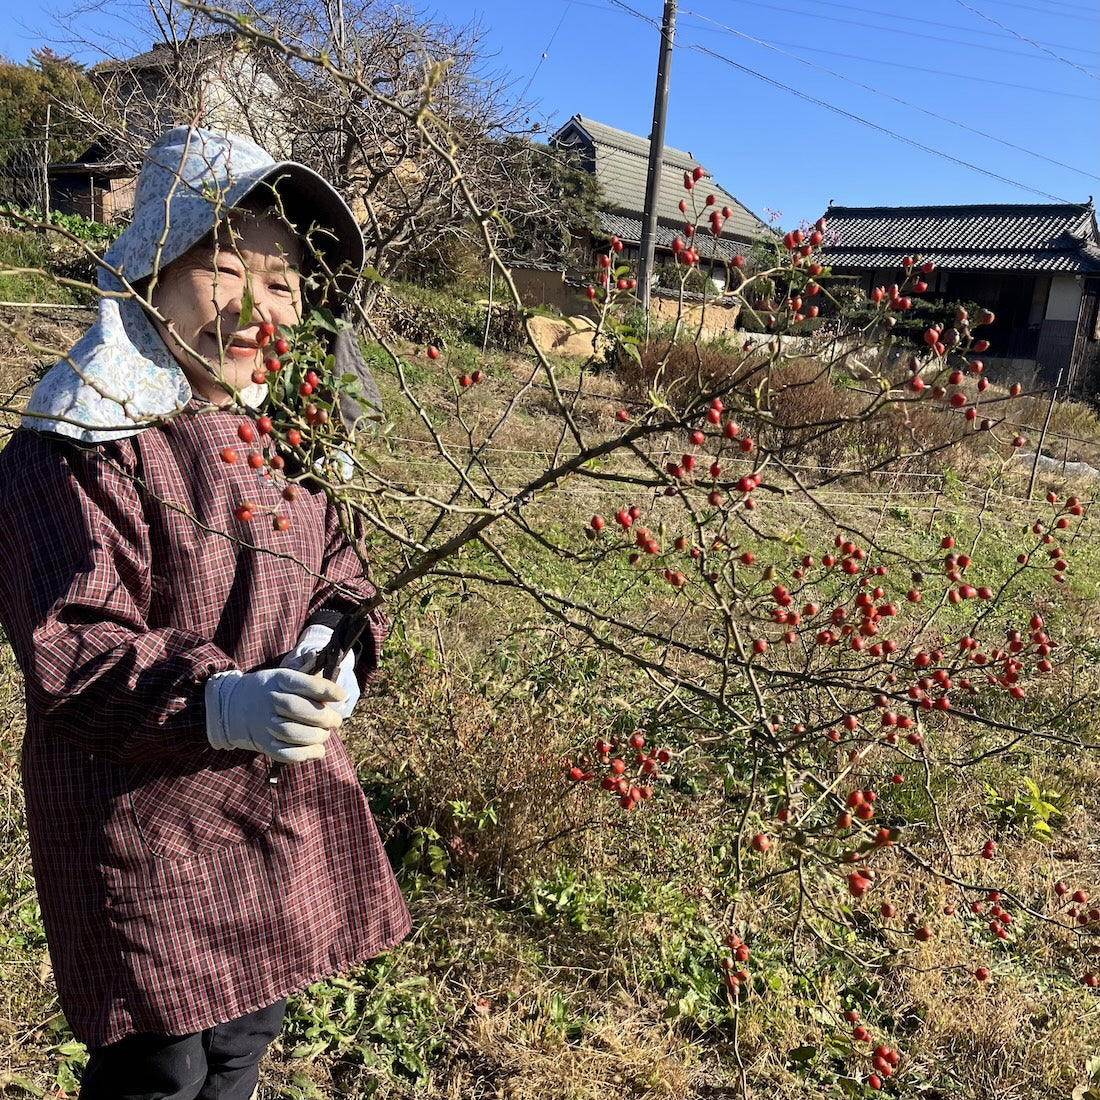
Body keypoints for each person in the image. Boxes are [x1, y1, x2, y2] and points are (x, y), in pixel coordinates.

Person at [0, 127, 411, 1099]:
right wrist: (220, 703)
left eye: (283, 284)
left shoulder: (287, 435)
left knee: (244, 1034)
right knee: (162, 1063)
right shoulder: (78, 445)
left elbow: (339, 569)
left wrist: (335, 646)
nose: (253, 306)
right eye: (223, 264)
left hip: (268, 807)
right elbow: (77, 643)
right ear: (149, 268)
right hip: (143, 825)